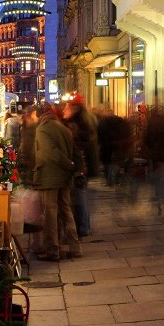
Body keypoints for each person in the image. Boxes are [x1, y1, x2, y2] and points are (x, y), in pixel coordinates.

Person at [31, 102, 81, 261]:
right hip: (64, 177)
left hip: (49, 177)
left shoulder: (42, 129)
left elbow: (51, 153)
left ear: (40, 115)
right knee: (66, 211)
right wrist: (72, 167)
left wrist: (68, 164)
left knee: (50, 214)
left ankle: (53, 250)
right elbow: (74, 151)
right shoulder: (63, 128)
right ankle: (75, 247)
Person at [62, 94, 96, 236]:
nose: (64, 109)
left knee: (79, 196)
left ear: (74, 108)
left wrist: (77, 166)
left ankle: (83, 227)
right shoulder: (84, 120)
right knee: (80, 195)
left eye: (67, 106)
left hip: (79, 165)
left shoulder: (75, 124)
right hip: (84, 164)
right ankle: (84, 226)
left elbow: (77, 146)